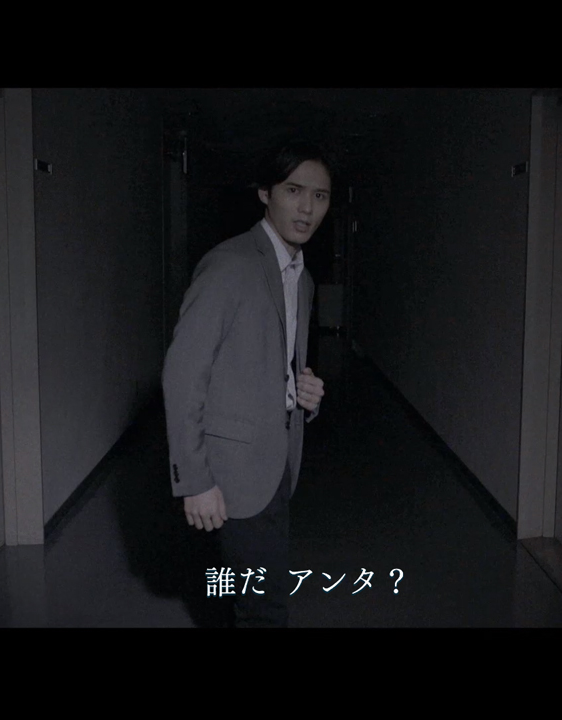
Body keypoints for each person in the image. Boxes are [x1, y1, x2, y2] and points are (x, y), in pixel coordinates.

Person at [162, 141, 332, 628]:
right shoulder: (230, 264)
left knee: (256, 599)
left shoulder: (302, 277)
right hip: (231, 472)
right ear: (264, 193)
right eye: (293, 191)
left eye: (320, 196)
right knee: (263, 608)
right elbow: (182, 375)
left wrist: (304, 393)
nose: (307, 208)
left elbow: (273, 364)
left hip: (277, 461)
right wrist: (196, 481)